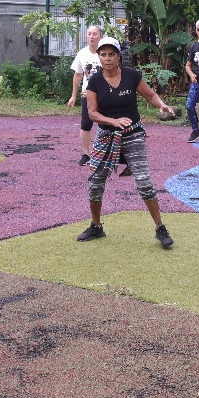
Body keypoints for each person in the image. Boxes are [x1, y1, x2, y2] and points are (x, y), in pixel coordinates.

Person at [76, 36, 178, 249]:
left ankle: (160, 228)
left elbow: (150, 95)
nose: (107, 58)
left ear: (118, 56)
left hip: (132, 134)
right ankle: (96, 226)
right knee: (95, 183)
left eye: (111, 54)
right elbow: (92, 113)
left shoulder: (131, 75)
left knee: (144, 182)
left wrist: (162, 105)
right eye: (103, 55)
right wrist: (113, 121)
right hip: (106, 135)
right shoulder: (94, 80)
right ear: (99, 57)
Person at [68, 25, 103, 166]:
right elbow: (77, 76)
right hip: (87, 96)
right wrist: (73, 96)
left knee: (106, 124)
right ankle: (85, 154)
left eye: (95, 34)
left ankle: (106, 153)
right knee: (86, 124)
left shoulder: (105, 53)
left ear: (100, 36)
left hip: (105, 95)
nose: (92, 36)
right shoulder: (82, 53)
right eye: (89, 34)